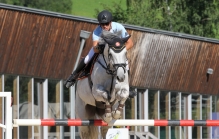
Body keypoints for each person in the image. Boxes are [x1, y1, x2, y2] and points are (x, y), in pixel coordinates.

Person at [64, 10, 137, 98]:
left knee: (126, 64)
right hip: (101, 49)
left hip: (116, 51)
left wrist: (118, 51)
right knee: (87, 58)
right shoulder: (96, 31)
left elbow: (130, 43)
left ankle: (128, 88)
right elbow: (95, 49)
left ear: (110, 22)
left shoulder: (119, 27)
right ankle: (73, 76)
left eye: (106, 24)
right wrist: (101, 47)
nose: (104, 26)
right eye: (102, 24)